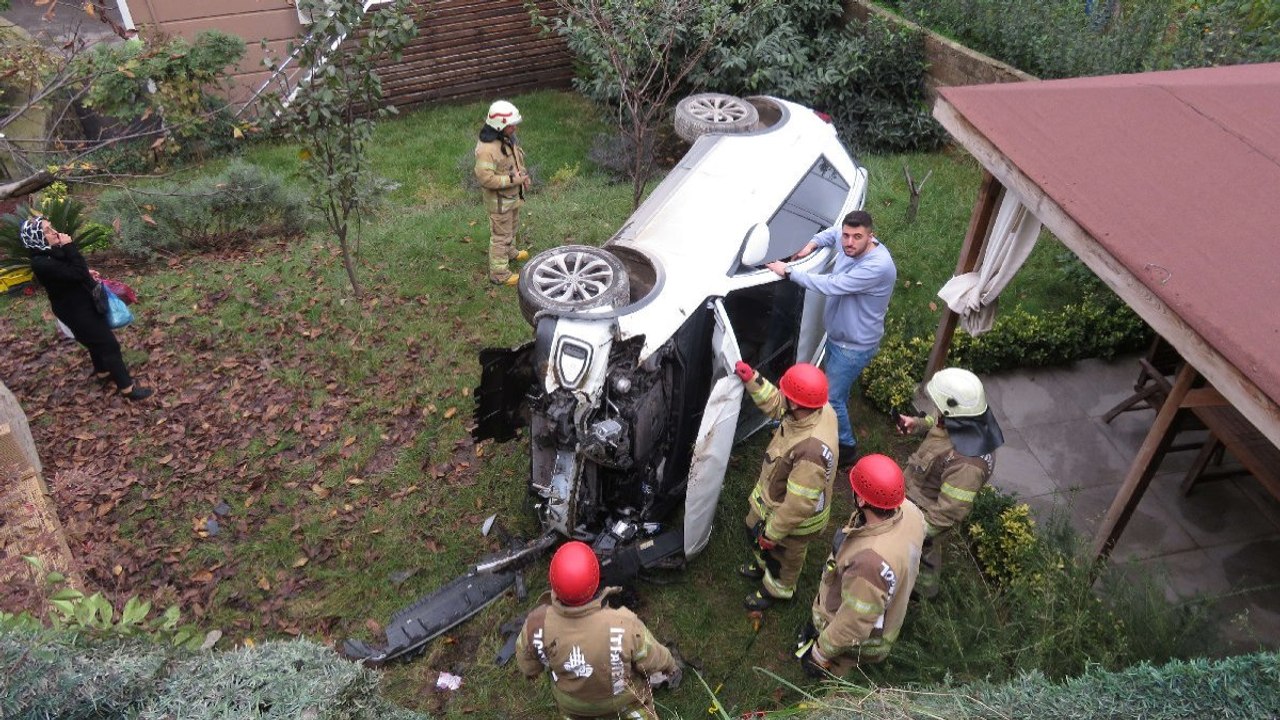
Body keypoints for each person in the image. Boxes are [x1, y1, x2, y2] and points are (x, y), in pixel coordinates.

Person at [766, 210, 896, 465]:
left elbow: (832, 285)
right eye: (847, 235)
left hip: (854, 347)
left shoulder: (877, 266)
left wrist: (789, 271)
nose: (848, 242)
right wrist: (811, 244)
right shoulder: (848, 242)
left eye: (857, 237)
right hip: (840, 337)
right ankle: (825, 418)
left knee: (831, 398)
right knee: (834, 390)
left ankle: (846, 448)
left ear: (872, 237)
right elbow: (832, 233)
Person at [516, 541, 681, 720]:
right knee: (637, 711)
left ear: (553, 582)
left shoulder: (536, 624)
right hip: (621, 700)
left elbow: (527, 660)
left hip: (572, 704)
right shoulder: (623, 623)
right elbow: (651, 656)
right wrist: (670, 665)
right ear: (596, 581)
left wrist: (531, 671)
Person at [797, 454, 925, 677]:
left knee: (836, 672)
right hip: (886, 600)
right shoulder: (911, 512)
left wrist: (820, 653)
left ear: (864, 501)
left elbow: (853, 624)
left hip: (860, 644)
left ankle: (834, 693)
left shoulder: (869, 563)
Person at [734, 360, 839, 611]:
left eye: (787, 396)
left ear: (796, 403)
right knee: (755, 530)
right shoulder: (816, 407)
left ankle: (778, 590)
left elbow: (798, 506)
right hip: (774, 500)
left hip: (795, 522)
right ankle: (762, 564)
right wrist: (752, 379)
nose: (783, 399)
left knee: (784, 557)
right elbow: (777, 403)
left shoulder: (810, 453)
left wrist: (773, 534)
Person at [895, 367, 1004, 598]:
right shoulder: (966, 416)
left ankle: (923, 590)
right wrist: (918, 423)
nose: (936, 413)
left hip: (929, 513)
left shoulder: (967, 466)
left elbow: (946, 514)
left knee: (926, 550)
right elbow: (936, 418)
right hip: (920, 491)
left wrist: (911, 532)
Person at [23, 216, 153, 401]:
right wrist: (70, 247)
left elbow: (71, 273)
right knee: (108, 344)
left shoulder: (51, 252)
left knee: (95, 341)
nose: (53, 232)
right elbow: (75, 272)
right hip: (75, 311)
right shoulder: (41, 262)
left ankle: (102, 373)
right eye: (47, 231)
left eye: (52, 227)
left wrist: (85, 272)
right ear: (37, 238)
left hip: (83, 303)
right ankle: (128, 389)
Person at [474, 99, 531, 286]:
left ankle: (510, 252)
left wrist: (524, 176)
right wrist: (512, 180)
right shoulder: (487, 149)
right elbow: (486, 179)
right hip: (499, 203)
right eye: (511, 125)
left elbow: (516, 160)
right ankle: (499, 274)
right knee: (501, 236)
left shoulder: (506, 138)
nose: (514, 128)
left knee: (512, 227)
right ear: (499, 126)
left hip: (512, 198)